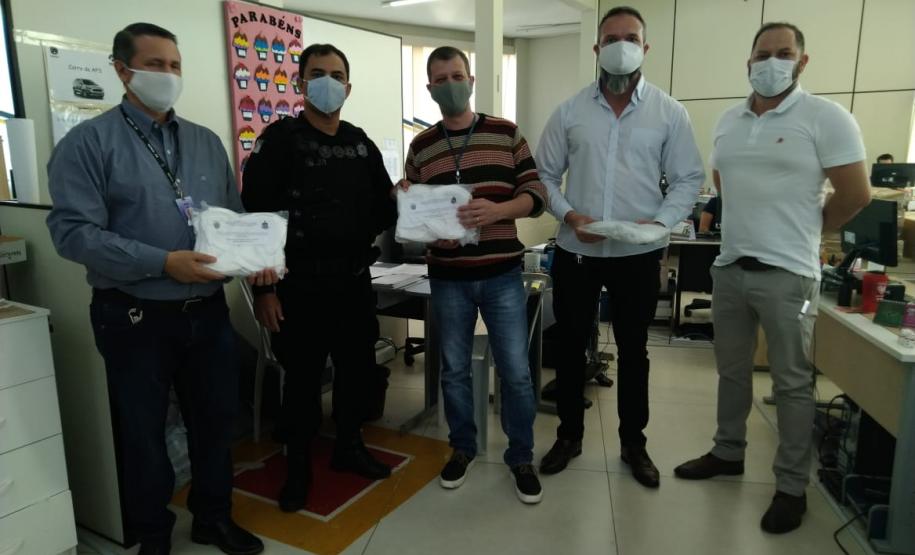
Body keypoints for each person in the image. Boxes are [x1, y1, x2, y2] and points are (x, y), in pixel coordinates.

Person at [46, 23, 268, 555]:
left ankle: (213, 517)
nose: (167, 75)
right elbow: (73, 234)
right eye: (154, 65)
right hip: (133, 316)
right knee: (143, 432)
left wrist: (255, 257)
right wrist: (163, 263)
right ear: (122, 71)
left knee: (215, 423)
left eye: (175, 65)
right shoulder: (88, 143)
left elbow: (230, 217)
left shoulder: (205, 141)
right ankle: (152, 534)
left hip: (207, 312)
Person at [674, 22, 871, 534]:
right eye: (763, 54)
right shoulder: (729, 120)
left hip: (789, 275)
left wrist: (808, 229)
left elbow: (856, 194)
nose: (771, 62)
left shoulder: (827, 117)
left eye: (784, 53)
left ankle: (790, 486)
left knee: (791, 384)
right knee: (732, 372)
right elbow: (723, 181)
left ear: (802, 61)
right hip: (731, 268)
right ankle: (727, 451)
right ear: (749, 62)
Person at [535, 6, 704, 488]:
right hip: (577, 249)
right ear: (597, 48)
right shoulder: (570, 111)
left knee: (634, 350)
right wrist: (570, 215)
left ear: (645, 48)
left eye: (630, 38)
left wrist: (660, 224)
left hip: (637, 255)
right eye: (611, 38)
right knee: (570, 346)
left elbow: (688, 179)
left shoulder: (669, 112)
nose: (621, 45)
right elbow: (543, 176)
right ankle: (569, 435)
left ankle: (634, 443)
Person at [241, 43, 397, 513]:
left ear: (348, 87)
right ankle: (298, 466)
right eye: (317, 73)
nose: (328, 82)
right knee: (303, 383)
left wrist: (412, 202)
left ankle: (349, 446)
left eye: (336, 75)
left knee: (356, 373)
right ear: (300, 83)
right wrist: (264, 290)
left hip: (352, 283)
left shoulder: (360, 143)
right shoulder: (278, 142)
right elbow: (257, 219)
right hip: (298, 288)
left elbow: (386, 207)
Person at [396, 46, 548, 504]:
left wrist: (498, 210)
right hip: (448, 277)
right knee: (454, 370)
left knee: (516, 372)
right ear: (429, 88)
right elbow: (414, 215)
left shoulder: (506, 133)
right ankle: (462, 447)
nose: (450, 85)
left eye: (457, 75)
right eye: (440, 79)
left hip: (502, 274)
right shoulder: (422, 146)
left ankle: (520, 456)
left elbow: (536, 195)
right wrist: (420, 221)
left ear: (472, 79)